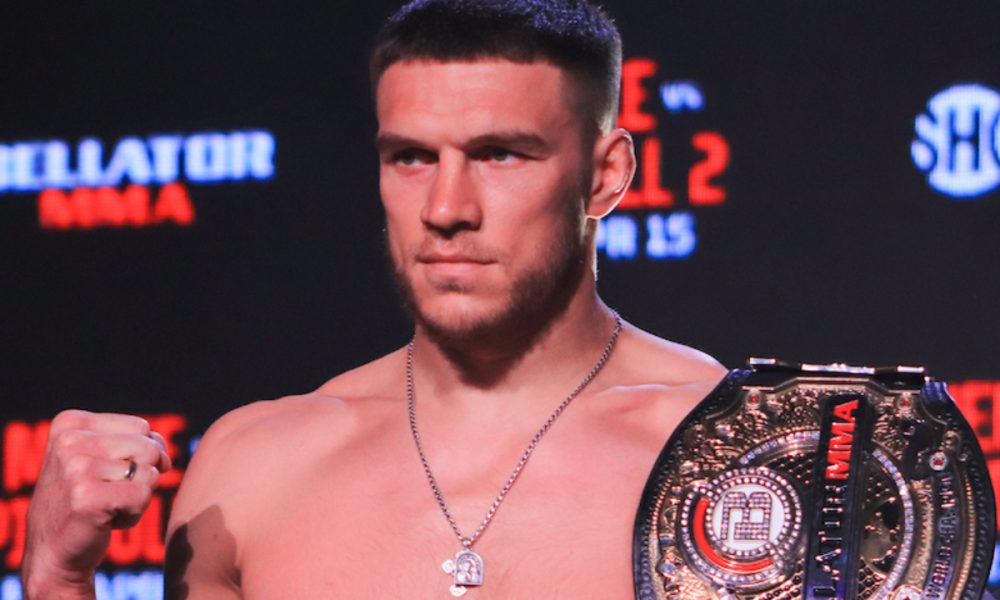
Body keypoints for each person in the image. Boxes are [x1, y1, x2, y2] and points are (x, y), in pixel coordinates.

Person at [21, 0, 726, 597]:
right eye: (412, 157)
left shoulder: (724, 452)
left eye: (499, 154)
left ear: (605, 175)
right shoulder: (253, 470)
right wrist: (56, 578)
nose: (446, 209)